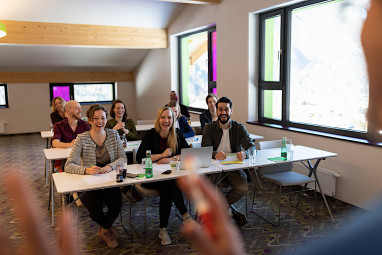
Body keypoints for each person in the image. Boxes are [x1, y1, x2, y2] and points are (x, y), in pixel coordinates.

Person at [65, 104, 127, 249]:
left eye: (103, 118)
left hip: (108, 180)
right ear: (90, 121)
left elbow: (122, 158)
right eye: (96, 119)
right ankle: (108, 230)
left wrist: (109, 166)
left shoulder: (113, 134)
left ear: (106, 119)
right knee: (94, 206)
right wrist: (86, 170)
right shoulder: (82, 138)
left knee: (117, 203)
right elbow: (68, 165)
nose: (100, 122)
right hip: (88, 182)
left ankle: (104, 230)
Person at [136, 107, 194, 245]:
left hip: (169, 177)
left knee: (166, 186)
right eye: (163, 117)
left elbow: (186, 153)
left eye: (169, 118)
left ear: (173, 120)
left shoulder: (177, 133)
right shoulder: (151, 134)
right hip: (150, 177)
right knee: (168, 183)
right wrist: (162, 155)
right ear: (158, 119)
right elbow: (140, 157)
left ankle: (163, 230)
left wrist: (171, 159)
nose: (166, 121)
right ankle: (185, 216)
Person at [202, 96, 256, 225]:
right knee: (213, 189)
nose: (223, 112)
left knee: (242, 187)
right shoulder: (209, 127)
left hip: (233, 167)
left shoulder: (239, 127)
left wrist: (245, 153)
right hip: (214, 168)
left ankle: (221, 210)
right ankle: (229, 212)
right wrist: (215, 154)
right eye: (220, 109)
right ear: (216, 111)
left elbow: (251, 147)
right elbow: (205, 149)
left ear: (231, 111)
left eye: (226, 109)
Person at [52, 100, 90, 171]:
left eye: (80, 108)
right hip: (67, 159)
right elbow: (55, 143)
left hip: (83, 158)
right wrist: (70, 144)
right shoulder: (59, 125)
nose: (80, 110)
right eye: (77, 108)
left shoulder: (85, 124)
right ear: (68, 111)